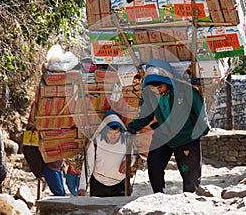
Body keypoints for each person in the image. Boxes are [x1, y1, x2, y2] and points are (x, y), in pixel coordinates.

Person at [127, 59, 211, 194]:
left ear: (167, 82)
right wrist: (133, 127)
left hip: (186, 137)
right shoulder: (149, 94)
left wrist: (202, 129)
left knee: (190, 175)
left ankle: (190, 201)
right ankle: (159, 196)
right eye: (153, 88)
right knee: (154, 165)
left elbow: (199, 110)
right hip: (163, 135)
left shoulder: (185, 90)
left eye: (159, 87)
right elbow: (146, 114)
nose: (156, 90)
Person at [77, 110, 129, 197]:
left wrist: (127, 162)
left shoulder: (127, 141)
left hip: (120, 185)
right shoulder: (95, 142)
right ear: (104, 131)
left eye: (116, 133)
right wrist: (82, 187)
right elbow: (88, 164)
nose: (113, 136)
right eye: (110, 132)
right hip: (98, 185)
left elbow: (133, 155)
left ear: (120, 131)